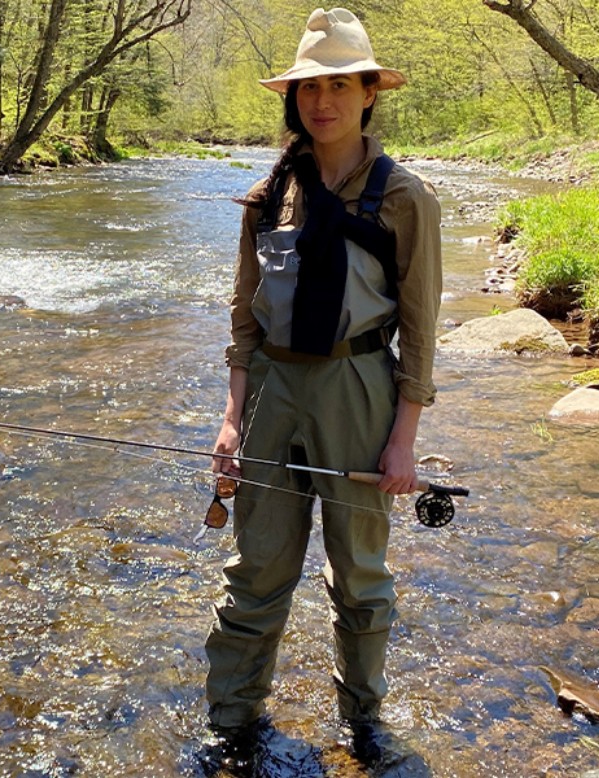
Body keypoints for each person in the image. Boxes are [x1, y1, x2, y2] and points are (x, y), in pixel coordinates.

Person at [201, 6, 442, 770]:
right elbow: (243, 320)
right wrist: (232, 419)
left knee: (361, 576)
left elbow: (421, 331)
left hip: (360, 389)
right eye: (309, 87)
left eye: (339, 84)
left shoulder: (407, 198)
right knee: (254, 572)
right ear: (293, 97)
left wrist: (403, 439)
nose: (322, 101)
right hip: (271, 390)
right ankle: (233, 722)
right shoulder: (268, 195)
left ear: (369, 91)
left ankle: (364, 723)